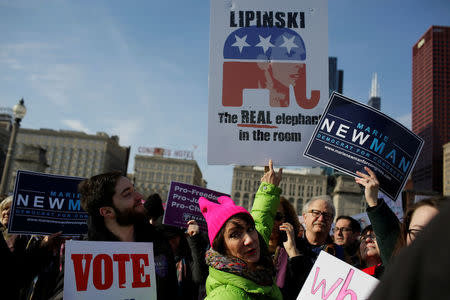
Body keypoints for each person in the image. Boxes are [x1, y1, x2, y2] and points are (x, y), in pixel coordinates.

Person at [78, 171, 177, 299]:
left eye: (134, 190)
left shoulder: (158, 242)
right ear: (107, 211)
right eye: (127, 194)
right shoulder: (83, 255)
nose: (139, 196)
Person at [200, 160, 283, 299]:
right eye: (235, 235)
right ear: (221, 246)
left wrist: (269, 187)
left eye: (250, 229)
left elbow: (262, 220)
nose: (250, 240)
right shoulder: (227, 296)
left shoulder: (253, 261)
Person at [355, 167, 446, 266]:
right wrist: (373, 200)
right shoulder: (401, 273)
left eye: (436, 231)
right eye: (417, 232)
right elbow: (389, 237)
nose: (426, 238)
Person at [369, 201, 450, 300]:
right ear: (405, 234)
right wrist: (372, 200)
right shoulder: (396, 272)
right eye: (417, 233)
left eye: (434, 233)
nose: (424, 240)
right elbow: (386, 233)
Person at [268, 197, 309, 300]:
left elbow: (304, 285)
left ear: (286, 219)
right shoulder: (251, 245)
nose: (272, 221)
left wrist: (292, 251)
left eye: (277, 216)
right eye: (268, 215)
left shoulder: (299, 246)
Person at [162, 220, 209, 300]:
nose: (170, 243)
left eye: (173, 238)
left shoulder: (188, 254)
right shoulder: (161, 257)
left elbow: (199, 277)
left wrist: (194, 240)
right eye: (166, 239)